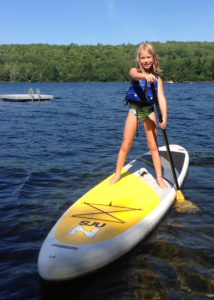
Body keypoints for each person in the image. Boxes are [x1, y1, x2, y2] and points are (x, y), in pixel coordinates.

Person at [109, 43, 168, 188]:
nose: (146, 60)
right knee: (126, 144)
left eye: (149, 57)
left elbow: (161, 98)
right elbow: (135, 75)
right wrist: (145, 76)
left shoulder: (157, 79)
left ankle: (159, 178)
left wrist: (164, 118)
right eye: (143, 58)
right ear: (139, 59)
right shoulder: (134, 71)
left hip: (149, 111)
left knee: (153, 146)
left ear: (153, 58)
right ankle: (117, 174)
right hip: (134, 110)